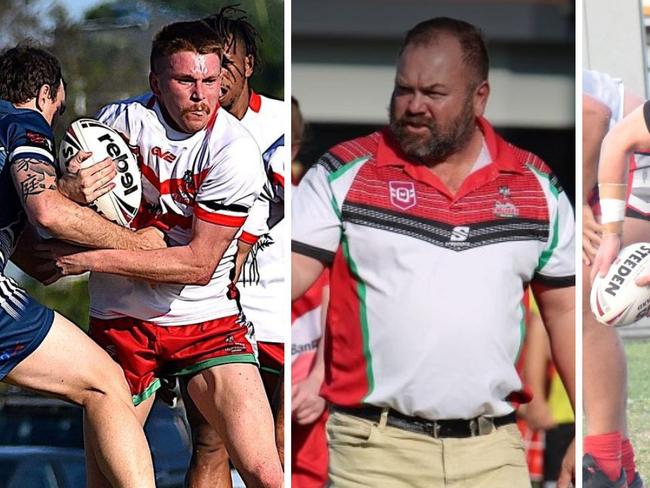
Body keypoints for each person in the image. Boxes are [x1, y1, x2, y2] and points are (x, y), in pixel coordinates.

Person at [292, 17, 575, 487]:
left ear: (479, 96)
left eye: (434, 93)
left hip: (495, 452)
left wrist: (586, 429)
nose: (414, 106)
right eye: (404, 89)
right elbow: (287, 276)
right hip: (373, 453)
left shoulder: (536, 186)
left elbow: (566, 314)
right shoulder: (344, 172)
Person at [48, 21, 283, 488]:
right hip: (123, 320)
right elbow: (61, 208)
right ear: (156, 82)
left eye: (211, 81)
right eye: (186, 81)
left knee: (264, 471)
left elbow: (197, 267)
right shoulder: (117, 123)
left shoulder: (234, 151)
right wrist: (70, 191)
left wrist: (92, 259)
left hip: (206, 320)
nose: (201, 95)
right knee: (110, 481)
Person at [0, 44, 158, 487]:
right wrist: (137, 246)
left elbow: (39, 260)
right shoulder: (23, 120)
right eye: (59, 110)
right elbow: (46, 210)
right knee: (105, 383)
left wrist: (64, 201)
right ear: (45, 94)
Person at [154, 10, 287, 487]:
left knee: (278, 437)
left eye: (225, 65)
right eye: (206, 67)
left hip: (278, 307)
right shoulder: (166, 125)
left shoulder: (279, 121)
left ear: (248, 65)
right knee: (210, 442)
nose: (215, 78)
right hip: (211, 309)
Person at [582, 70, 645, 488]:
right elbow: (615, 138)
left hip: (638, 172)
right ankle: (613, 462)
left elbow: (591, 117)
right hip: (620, 158)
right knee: (593, 274)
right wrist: (610, 233)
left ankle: (606, 464)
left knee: (588, 282)